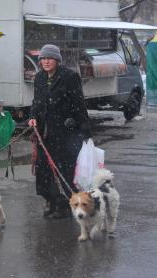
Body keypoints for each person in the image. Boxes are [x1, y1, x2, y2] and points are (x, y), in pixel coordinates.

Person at [28, 44, 92, 219]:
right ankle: (50, 200)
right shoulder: (39, 78)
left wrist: (84, 131)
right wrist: (33, 116)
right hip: (44, 132)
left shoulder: (70, 77)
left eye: (50, 58)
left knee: (63, 169)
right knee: (44, 169)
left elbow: (79, 104)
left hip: (65, 132)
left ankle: (64, 205)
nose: (46, 61)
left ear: (57, 60)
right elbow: (36, 102)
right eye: (43, 58)